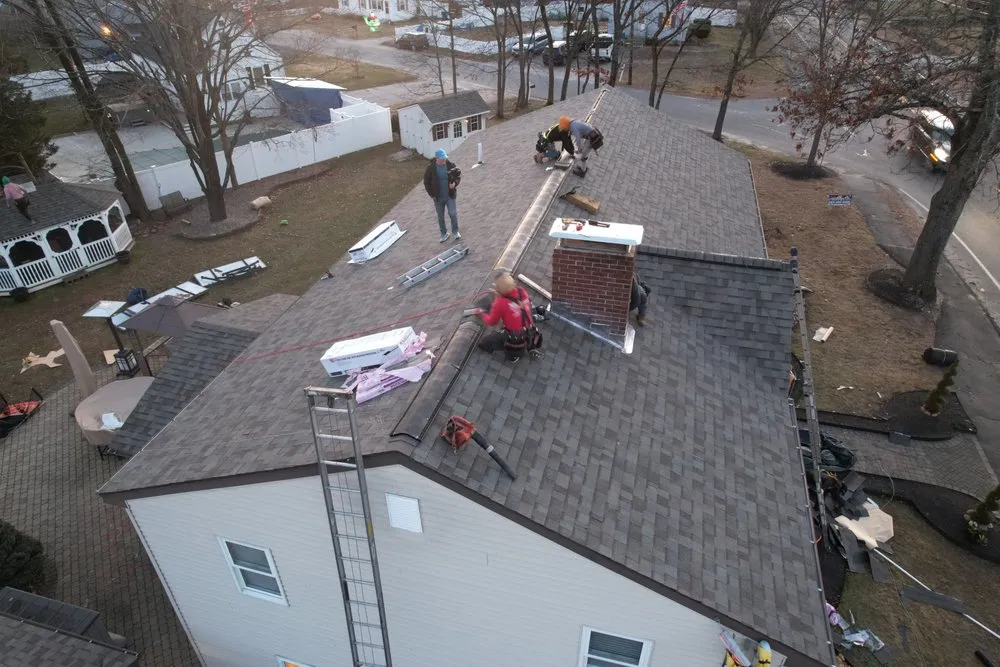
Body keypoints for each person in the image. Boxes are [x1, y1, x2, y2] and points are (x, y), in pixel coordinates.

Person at [474, 272, 541, 358]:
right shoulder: (521, 291)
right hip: (530, 330)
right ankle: (529, 346)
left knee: (485, 342)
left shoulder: (500, 303)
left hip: (515, 337)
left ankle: (513, 355)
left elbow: (492, 322)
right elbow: (513, 304)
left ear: (498, 289)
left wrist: (481, 313)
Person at [423, 148, 461, 243]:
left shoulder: (450, 165)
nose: (444, 160)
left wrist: (454, 184)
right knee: (440, 216)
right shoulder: (431, 169)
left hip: (450, 196)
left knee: (453, 213)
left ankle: (455, 232)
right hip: (438, 198)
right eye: (442, 159)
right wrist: (432, 195)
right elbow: (426, 182)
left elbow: (458, 176)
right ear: (437, 158)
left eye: (444, 158)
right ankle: (443, 234)